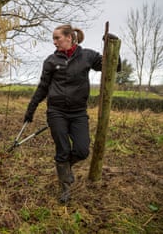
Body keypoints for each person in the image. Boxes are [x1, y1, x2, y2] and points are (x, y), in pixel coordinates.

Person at [23, 24, 120, 204]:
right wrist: (31, 109)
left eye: (57, 38)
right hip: (56, 112)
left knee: (82, 150)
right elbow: (43, 87)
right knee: (63, 149)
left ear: (69, 37)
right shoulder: (51, 61)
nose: (54, 42)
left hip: (78, 113)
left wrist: (112, 44)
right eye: (53, 39)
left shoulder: (87, 56)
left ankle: (65, 168)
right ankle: (65, 188)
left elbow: (113, 66)